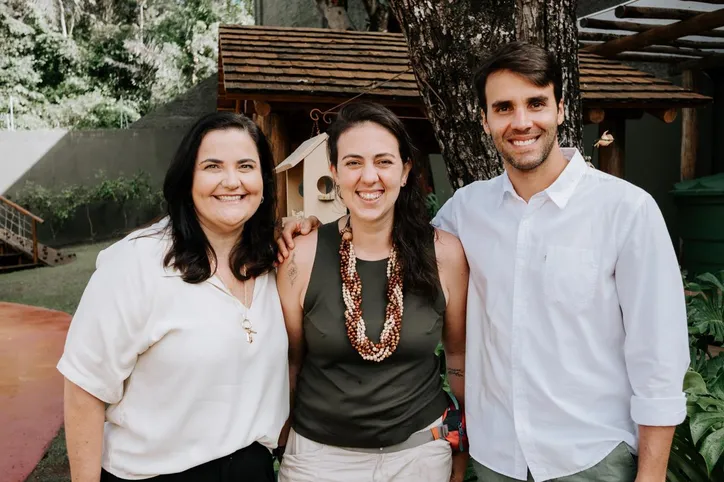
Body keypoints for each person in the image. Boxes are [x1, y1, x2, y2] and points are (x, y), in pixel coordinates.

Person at [278, 42, 690, 482]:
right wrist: (301, 224)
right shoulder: (466, 213)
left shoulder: (626, 210)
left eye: (536, 103)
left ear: (561, 108)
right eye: (504, 107)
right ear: (485, 119)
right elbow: (381, 230)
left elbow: (659, 362)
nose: (521, 121)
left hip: (591, 459)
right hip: (498, 461)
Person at [58, 112, 289, 482]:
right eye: (213, 166)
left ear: (263, 182)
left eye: (246, 166)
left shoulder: (273, 260)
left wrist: (298, 225)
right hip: (155, 474)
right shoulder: (135, 263)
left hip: (251, 469)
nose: (232, 181)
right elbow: (85, 388)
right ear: (187, 180)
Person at [275, 102, 469, 482]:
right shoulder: (301, 255)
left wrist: (462, 440)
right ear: (334, 171)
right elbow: (290, 363)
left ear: (405, 171)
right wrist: (281, 442)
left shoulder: (445, 254)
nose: (369, 177)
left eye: (383, 161)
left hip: (420, 455)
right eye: (352, 163)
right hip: (318, 460)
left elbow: (458, 353)